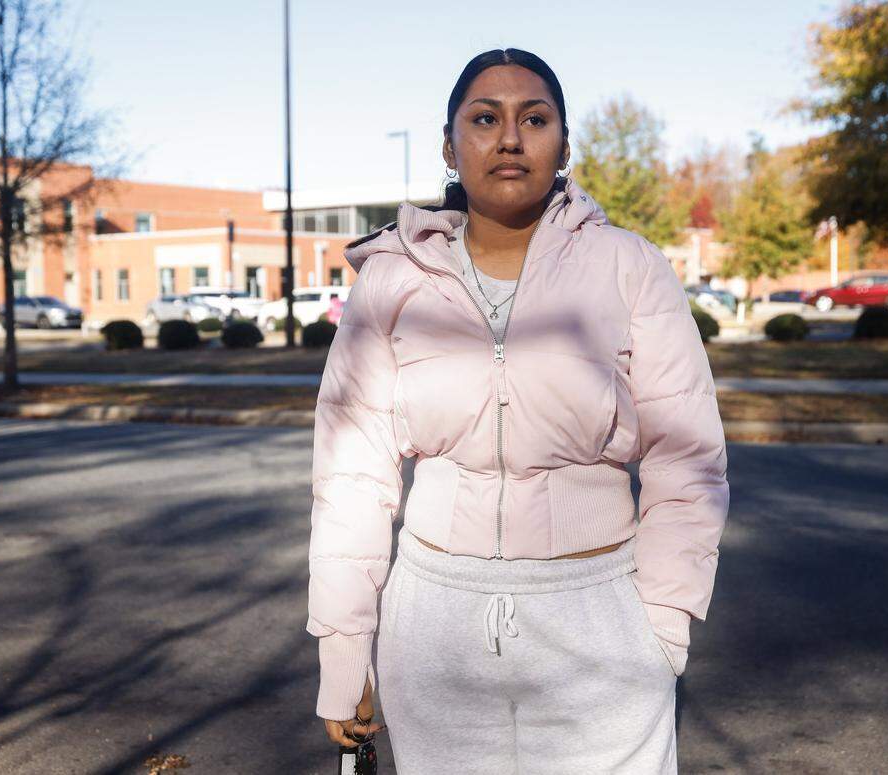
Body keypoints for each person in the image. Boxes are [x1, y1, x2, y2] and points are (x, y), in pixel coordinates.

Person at [305, 47, 730, 773]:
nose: (509, 138)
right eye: (484, 119)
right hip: (434, 630)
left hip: (600, 621)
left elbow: (687, 457)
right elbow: (351, 476)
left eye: (534, 119)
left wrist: (662, 627)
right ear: (450, 146)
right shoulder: (393, 279)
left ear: (564, 146)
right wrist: (345, 652)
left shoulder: (629, 266)